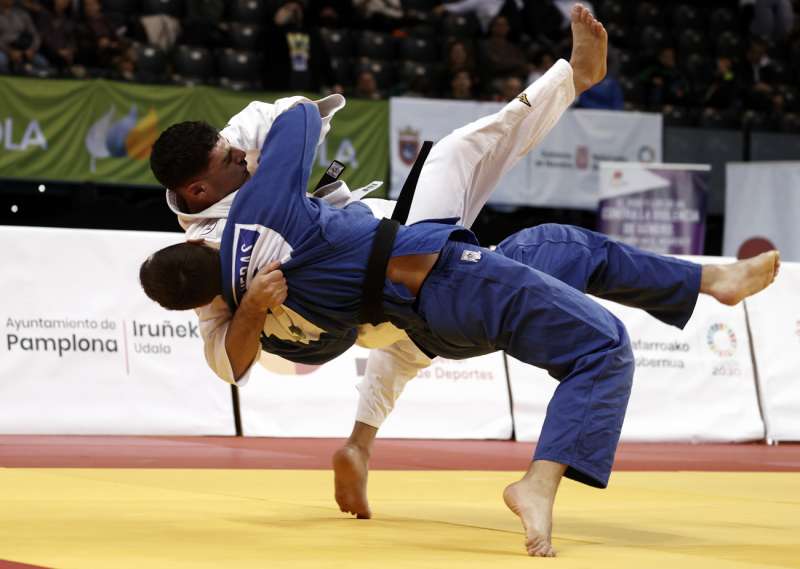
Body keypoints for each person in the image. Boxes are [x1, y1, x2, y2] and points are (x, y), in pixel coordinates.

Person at [141, 7, 781, 557]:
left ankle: (708, 277)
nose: (239, 157)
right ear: (198, 190)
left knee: (546, 245)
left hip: (384, 260)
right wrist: (252, 307)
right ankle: (577, 80)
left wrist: (255, 144)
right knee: (411, 307)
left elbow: (284, 120)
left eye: (235, 149)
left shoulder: (240, 165)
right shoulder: (207, 252)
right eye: (230, 160)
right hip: (351, 307)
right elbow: (229, 361)